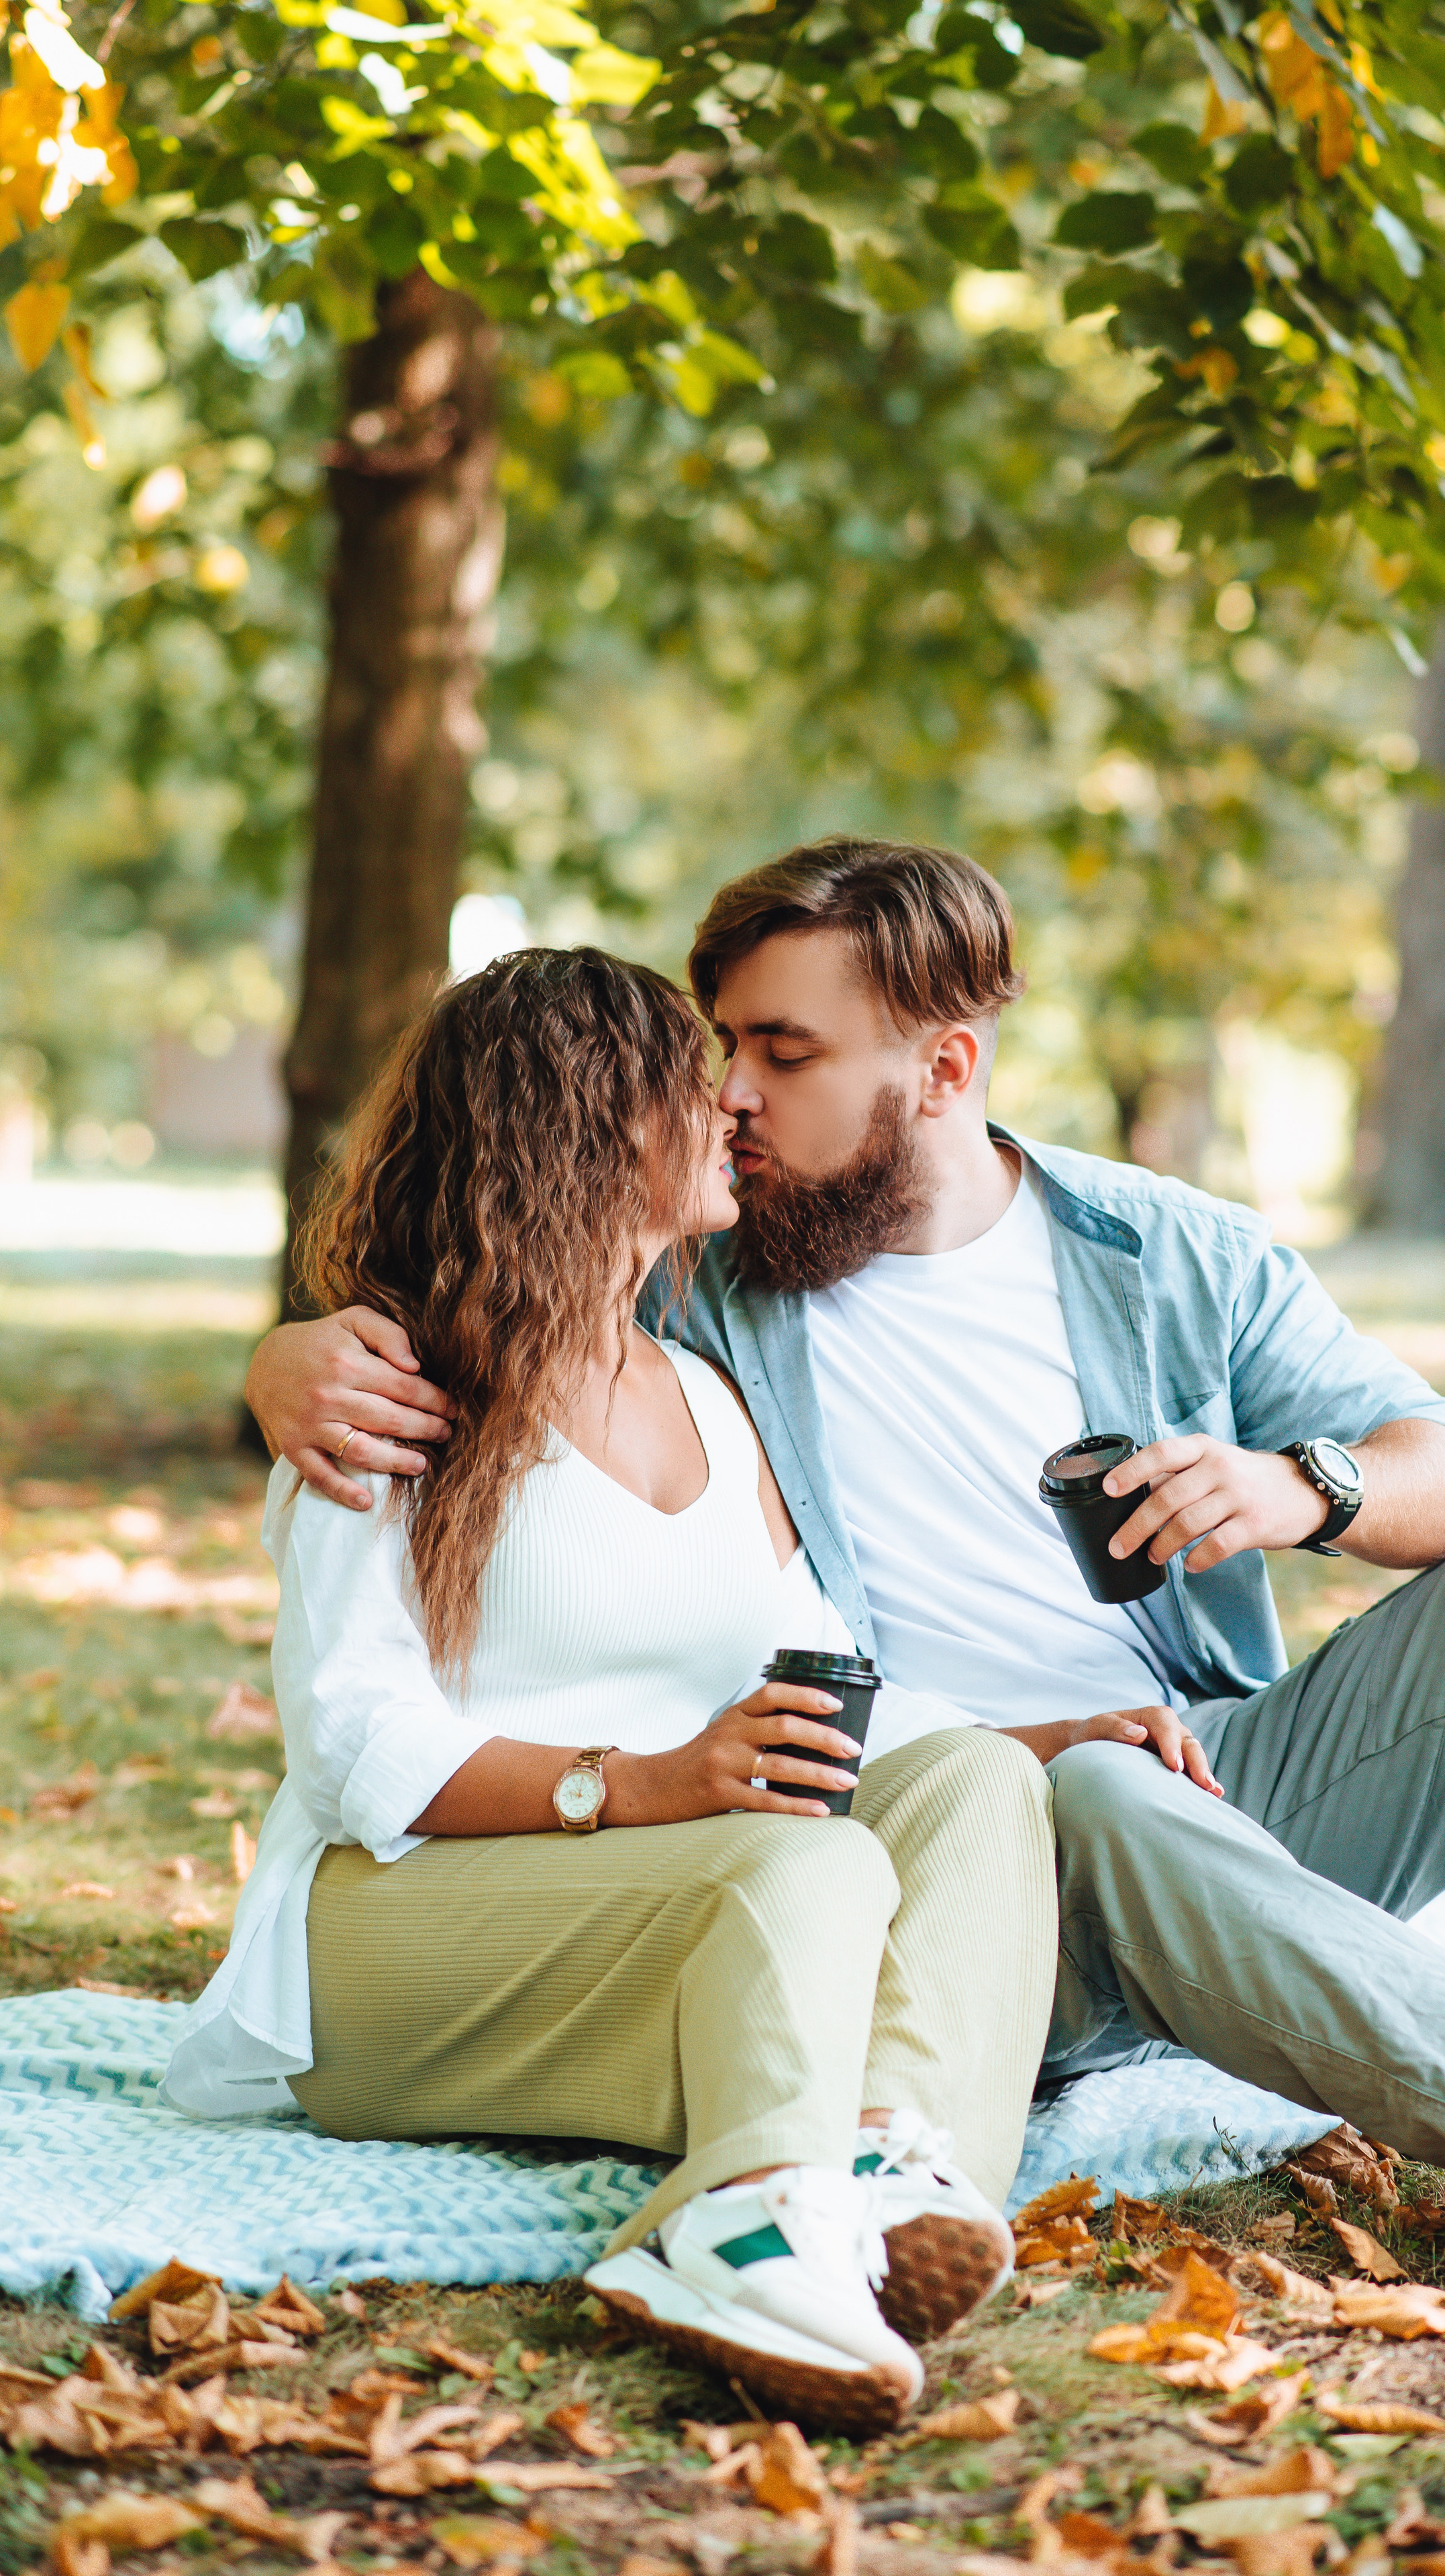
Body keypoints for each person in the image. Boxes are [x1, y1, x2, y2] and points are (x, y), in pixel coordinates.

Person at [248, 839, 1445, 2246]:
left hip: (1203, 1772)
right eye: (726, 1046)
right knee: (1090, 1788)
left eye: (784, 1053)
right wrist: (293, 1360)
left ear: (945, 1068)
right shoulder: (696, 1275)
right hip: (965, 1848)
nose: (732, 1095)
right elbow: (501, 1248)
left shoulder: (1165, 1250)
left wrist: (1296, 1489)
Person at [171, 944, 1060, 2433]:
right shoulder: (393, 1387)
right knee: (804, 1863)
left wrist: (1043, 1736)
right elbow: (351, 1744)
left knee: (977, 1779)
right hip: (391, 1931)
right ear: (579, 1123)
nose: (729, 1102)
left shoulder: (702, 1391)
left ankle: (874, 2162)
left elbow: (811, 1686)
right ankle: (745, 2226)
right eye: (684, 1079)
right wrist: (639, 1784)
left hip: (670, 1891)